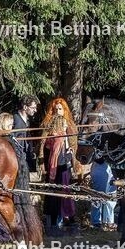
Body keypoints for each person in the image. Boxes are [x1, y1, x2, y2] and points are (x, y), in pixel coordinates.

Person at [41, 97, 79, 235]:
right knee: (53, 194)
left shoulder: (70, 126)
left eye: (60, 109)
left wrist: (72, 158)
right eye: (56, 109)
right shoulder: (49, 127)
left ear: (65, 110)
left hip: (66, 166)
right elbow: (42, 147)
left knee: (66, 194)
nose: (58, 111)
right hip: (53, 167)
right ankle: (52, 224)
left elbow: (74, 147)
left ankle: (69, 221)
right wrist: (42, 164)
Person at [90, 156, 116, 230]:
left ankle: (106, 221)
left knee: (109, 195)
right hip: (102, 166)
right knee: (99, 195)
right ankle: (101, 222)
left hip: (107, 166)